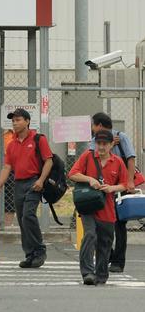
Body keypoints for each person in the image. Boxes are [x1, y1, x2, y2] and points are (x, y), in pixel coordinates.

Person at [0, 108, 52, 268]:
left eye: (18, 120)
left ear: (27, 121)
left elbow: (49, 161)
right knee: (22, 220)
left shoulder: (38, 139)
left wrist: (40, 180)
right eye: (13, 120)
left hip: (34, 182)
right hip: (19, 183)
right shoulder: (11, 144)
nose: (15, 123)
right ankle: (30, 254)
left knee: (28, 216)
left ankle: (40, 250)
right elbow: (7, 167)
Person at [69, 129, 127, 285]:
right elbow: (72, 174)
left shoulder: (118, 162)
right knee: (90, 235)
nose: (101, 147)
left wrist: (111, 188)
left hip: (107, 208)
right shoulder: (87, 156)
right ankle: (87, 272)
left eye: (104, 144)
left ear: (111, 145)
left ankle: (101, 274)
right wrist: (89, 179)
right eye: (98, 143)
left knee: (105, 241)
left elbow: (125, 184)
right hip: (88, 206)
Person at [89, 112, 138, 273]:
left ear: (100, 125)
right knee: (99, 223)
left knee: (119, 223)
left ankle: (118, 261)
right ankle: (107, 255)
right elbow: (91, 157)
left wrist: (130, 181)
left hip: (119, 186)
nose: (92, 128)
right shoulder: (95, 141)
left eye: (93, 125)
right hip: (100, 187)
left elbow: (131, 158)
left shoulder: (121, 137)